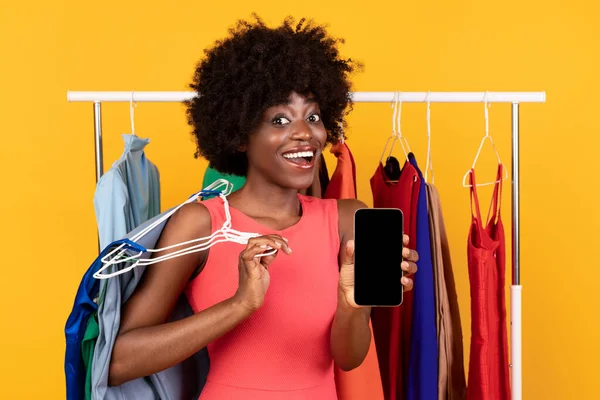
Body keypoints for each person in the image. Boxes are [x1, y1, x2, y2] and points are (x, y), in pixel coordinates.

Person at [107, 15, 419, 399]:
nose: (305, 132)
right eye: (280, 119)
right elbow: (119, 362)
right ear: (240, 135)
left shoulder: (346, 218)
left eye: (314, 116)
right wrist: (241, 305)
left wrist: (352, 304)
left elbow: (348, 358)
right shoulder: (201, 224)